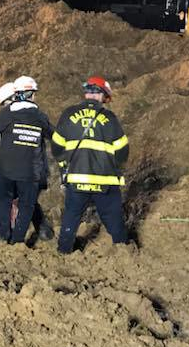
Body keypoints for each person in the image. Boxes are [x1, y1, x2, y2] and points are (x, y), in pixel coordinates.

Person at [52, 76, 129, 254]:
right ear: (102, 95)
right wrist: (115, 167)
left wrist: (65, 166)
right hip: (106, 181)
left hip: (77, 179)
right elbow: (122, 150)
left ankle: (63, 251)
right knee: (113, 219)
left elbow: (57, 146)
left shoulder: (69, 114)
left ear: (87, 93)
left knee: (71, 217)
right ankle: (124, 253)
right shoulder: (109, 118)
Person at [0, 75, 53, 245]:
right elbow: (55, 137)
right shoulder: (40, 116)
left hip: (6, 169)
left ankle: (3, 236)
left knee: (3, 200)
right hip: (30, 172)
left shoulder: (6, 114)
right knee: (27, 205)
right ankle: (17, 242)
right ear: (30, 94)